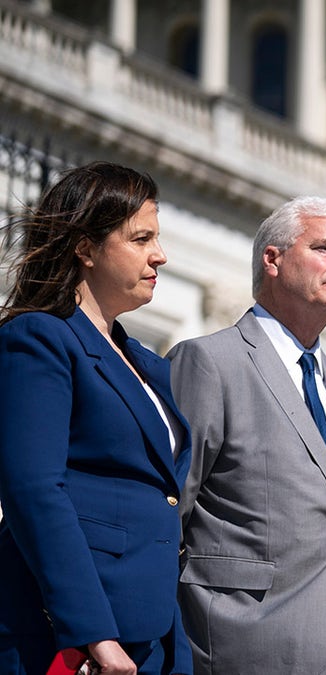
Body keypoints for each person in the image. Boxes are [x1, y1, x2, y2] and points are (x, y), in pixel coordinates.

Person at [0, 162, 192, 674]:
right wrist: (95, 635)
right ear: (85, 248)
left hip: (155, 637)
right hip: (74, 641)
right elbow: (34, 490)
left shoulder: (151, 366)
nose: (161, 254)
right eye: (141, 238)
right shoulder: (39, 338)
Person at [167, 197, 326, 674]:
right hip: (236, 647)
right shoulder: (208, 363)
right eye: (324, 249)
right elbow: (169, 512)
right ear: (273, 259)